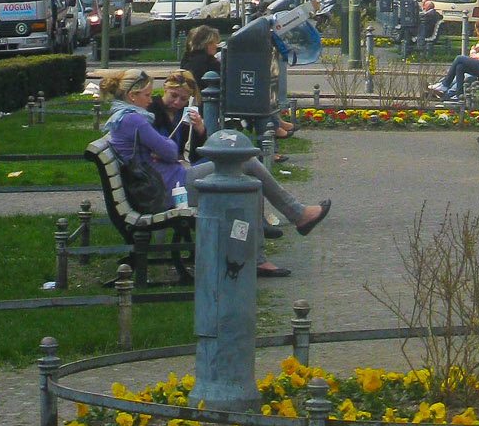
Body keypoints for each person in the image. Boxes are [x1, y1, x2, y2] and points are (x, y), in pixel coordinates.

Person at [97, 68, 328, 277]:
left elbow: (169, 151)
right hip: (170, 190)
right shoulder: (134, 120)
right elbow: (169, 150)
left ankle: (281, 233)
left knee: (247, 169)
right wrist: (161, 148)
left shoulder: (122, 118)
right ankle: (292, 220)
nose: (149, 100)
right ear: (132, 96)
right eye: (147, 95)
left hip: (170, 182)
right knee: (246, 163)